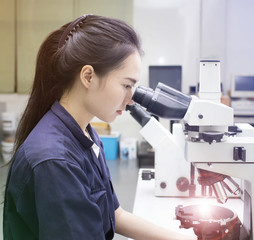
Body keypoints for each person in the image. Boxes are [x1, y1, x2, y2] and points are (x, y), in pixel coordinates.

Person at [2, 14, 196, 240]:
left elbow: (116, 215)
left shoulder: (86, 135)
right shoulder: (55, 161)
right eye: (126, 85)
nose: (131, 99)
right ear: (88, 76)